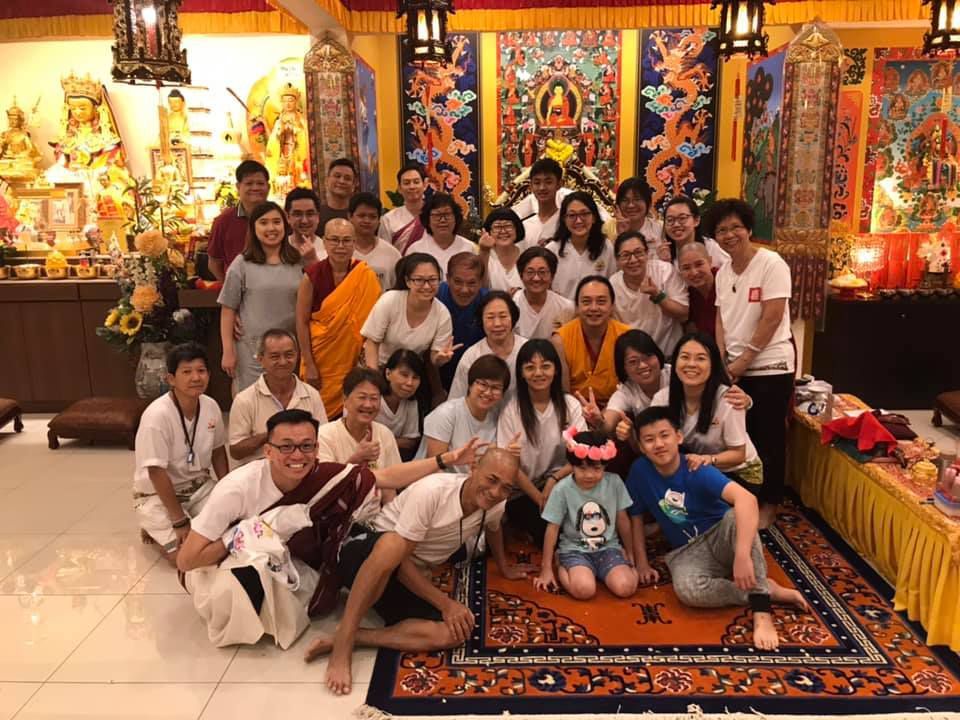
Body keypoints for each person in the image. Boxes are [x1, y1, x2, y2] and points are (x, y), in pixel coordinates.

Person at [178, 409, 490, 643]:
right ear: (268, 451)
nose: (297, 455)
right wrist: (242, 535)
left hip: (294, 559)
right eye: (286, 447)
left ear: (317, 448)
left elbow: (386, 477)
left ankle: (347, 632)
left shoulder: (322, 473)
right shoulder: (236, 489)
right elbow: (187, 560)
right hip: (232, 560)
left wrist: (446, 459)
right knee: (243, 583)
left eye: (306, 446)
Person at [304, 448, 529, 695]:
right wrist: (446, 604)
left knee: (452, 633)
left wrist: (504, 567)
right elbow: (399, 559)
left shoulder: (496, 504)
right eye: (492, 480)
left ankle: (358, 636)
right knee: (392, 546)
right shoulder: (433, 491)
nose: (496, 492)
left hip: (406, 570)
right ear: (473, 468)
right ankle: (343, 643)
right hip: (367, 554)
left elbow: (494, 528)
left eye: (506, 488)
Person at [626, 406, 808, 650]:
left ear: (678, 437)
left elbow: (747, 500)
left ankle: (762, 611)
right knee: (688, 592)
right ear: (640, 446)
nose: (658, 444)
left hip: (721, 535)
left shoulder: (696, 468)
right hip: (686, 550)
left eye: (664, 435)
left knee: (736, 517)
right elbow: (635, 516)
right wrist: (641, 563)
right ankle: (764, 589)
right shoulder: (639, 471)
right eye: (649, 439)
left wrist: (742, 556)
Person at [710, 199, 795, 528]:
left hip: (769, 366)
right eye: (721, 230)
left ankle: (769, 503)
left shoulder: (771, 263)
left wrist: (744, 360)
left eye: (735, 227)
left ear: (748, 229)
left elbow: (772, 316)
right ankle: (745, 497)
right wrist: (722, 359)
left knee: (768, 435)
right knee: (739, 437)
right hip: (734, 368)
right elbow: (721, 319)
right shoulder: (723, 272)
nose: (729, 235)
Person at [133, 343, 229, 565]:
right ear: (171, 379)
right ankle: (153, 524)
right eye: (187, 372)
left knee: (233, 523)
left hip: (199, 486)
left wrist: (228, 491)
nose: (196, 377)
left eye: (201, 370)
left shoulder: (211, 406)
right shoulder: (156, 416)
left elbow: (218, 451)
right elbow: (156, 472)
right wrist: (178, 521)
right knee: (181, 558)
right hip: (156, 493)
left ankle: (194, 530)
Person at [534, 429, 638, 600]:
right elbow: (552, 529)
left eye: (597, 468)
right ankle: (562, 564)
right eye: (582, 468)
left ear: (605, 465)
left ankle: (603, 570)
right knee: (584, 590)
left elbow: (623, 520)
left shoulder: (614, 482)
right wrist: (546, 568)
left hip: (608, 548)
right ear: (572, 466)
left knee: (626, 587)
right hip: (574, 550)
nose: (589, 475)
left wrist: (630, 552)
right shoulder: (562, 489)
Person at [498, 339, 584, 544]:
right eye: (530, 367)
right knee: (551, 534)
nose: (538, 373)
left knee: (587, 522)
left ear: (556, 369)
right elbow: (510, 466)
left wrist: (553, 480)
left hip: (562, 482)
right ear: (521, 373)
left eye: (545, 366)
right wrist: (540, 498)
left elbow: (581, 454)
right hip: (523, 492)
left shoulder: (570, 404)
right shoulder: (512, 410)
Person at [649, 333, 760, 487]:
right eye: (685, 357)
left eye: (700, 358)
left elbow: (738, 455)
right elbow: (652, 440)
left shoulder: (730, 399)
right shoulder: (662, 398)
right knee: (644, 466)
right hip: (694, 467)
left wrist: (709, 459)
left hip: (736, 473)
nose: (691, 364)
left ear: (713, 365)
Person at [296, 218, 381, 419]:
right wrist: (309, 364)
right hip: (321, 360)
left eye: (346, 240)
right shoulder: (312, 276)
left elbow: (375, 323)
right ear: (324, 242)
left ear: (354, 243)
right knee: (315, 415)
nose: (340, 246)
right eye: (334, 240)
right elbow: (301, 321)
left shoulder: (365, 275)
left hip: (354, 359)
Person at [219, 201, 304, 392]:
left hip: (290, 350)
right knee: (252, 399)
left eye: (276, 222)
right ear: (253, 228)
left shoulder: (298, 261)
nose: (271, 228)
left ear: (285, 225)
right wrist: (228, 350)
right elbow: (228, 309)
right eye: (264, 223)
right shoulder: (241, 263)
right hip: (252, 349)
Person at [228, 329, 326, 466]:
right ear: (261, 359)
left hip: (302, 468)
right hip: (261, 471)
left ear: (297, 356)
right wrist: (273, 434)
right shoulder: (245, 399)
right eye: (275, 356)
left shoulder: (311, 394)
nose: (283, 362)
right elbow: (236, 451)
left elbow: (323, 438)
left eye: (289, 355)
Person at [361, 253, 457, 368]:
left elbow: (434, 358)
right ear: (408, 281)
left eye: (432, 280)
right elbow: (372, 342)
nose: (427, 286)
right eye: (419, 280)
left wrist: (440, 359)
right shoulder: (390, 300)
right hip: (378, 365)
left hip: (410, 371)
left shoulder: (442, 314)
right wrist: (374, 375)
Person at [552, 275, 630, 408]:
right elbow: (563, 393)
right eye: (586, 302)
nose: (593, 308)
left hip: (618, 409)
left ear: (612, 306)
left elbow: (632, 388)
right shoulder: (560, 340)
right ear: (577, 307)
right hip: (575, 409)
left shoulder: (627, 336)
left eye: (601, 301)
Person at [423, 355, 509, 473]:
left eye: (496, 388)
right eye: (483, 384)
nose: (488, 392)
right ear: (470, 384)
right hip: (436, 480)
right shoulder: (446, 413)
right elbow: (434, 467)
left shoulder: (497, 419)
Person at [610, 230, 689, 357]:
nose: (633, 260)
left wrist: (657, 295)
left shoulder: (664, 271)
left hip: (670, 353)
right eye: (625, 255)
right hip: (634, 358)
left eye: (638, 252)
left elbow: (684, 313)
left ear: (647, 253)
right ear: (617, 260)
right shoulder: (613, 284)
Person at [580, 329, 670, 438]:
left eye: (648, 356)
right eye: (633, 361)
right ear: (624, 368)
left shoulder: (674, 375)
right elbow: (608, 424)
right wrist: (598, 421)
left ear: (658, 355)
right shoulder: (627, 390)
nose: (643, 365)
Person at [316, 368, 402, 475]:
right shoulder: (324, 435)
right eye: (362, 397)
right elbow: (326, 482)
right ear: (345, 400)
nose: (368, 405)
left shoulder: (385, 434)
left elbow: (395, 478)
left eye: (374, 398)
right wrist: (357, 459)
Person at [448, 291, 527, 400]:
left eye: (503, 316)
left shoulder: (526, 349)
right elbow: (456, 400)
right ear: (481, 320)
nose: (497, 323)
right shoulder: (472, 356)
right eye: (490, 317)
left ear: (513, 318)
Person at [207, 160, 270, 280]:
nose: (255, 188)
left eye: (260, 183)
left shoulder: (280, 218)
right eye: (249, 183)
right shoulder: (223, 221)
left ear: (268, 187)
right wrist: (230, 286)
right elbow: (214, 262)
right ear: (238, 187)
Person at [546, 191, 616, 298]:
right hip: (561, 308)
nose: (578, 221)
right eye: (572, 215)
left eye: (584, 214)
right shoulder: (552, 250)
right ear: (564, 219)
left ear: (594, 217)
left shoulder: (606, 247)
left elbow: (612, 284)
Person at [436, 252, 488, 391]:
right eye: (458, 282)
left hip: (476, 378)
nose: (464, 290)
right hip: (436, 374)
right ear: (448, 279)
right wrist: (437, 391)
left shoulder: (488, 302)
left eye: (472, 283)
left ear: (481, 281)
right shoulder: (435, 296)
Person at [405, 193, 475, 281]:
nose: (442, 220)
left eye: (447, 214)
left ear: (456, 218)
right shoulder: (415, 250)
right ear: (427, 220)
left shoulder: (469, 248)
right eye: (437, 215)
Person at [511, 247, 575, 340]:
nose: (536, 278)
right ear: (521, 275)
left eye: (542, 272)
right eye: (530, 272)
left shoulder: (566, 307)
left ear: (552, 276)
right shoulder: (511, 304)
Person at [376, 349, 424, 460]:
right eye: (404, 375)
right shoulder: (373, 398)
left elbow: (410, 442)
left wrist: (380, 441)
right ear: (388, 373)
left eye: (415, 377)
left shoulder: (412, 402)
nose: (409, 383)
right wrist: (397, 441)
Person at [349, 191, 401, 292]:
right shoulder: (340, 251)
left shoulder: (392, 254)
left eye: (372, 217)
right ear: (350, 217)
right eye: (361, 216)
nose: (367, 221)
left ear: (379, 220)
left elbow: (397, 291)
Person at [662, 196, 729, 269]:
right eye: (670, 220)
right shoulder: (663, 252)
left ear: (696, 220)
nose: (676, 224)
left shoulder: (711, 247)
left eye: (682, 218)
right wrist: (665, 263)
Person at [515, 158, 565, 247]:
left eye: (548, 182)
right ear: (530, 186)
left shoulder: (567, 221)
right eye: (537, 183)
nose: (542, 188)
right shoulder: (524, 226)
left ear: (559, 184)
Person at [379, 164, 429, 253]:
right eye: (406, 183)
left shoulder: (433, 215)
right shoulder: (388, 219)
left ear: (425, 185)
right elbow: (385, 252)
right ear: (399, 188)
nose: (412, 187)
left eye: (416, 182)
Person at [677, 242, 719, 337]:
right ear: (680, 270)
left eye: (699, 264)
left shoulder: (725, 281)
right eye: (686, 268)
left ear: (710, 261)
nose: (694, 272)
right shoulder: (688, 294)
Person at [477, 208, 524, 292]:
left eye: (508, 226)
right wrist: (484, 251)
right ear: (489, 232)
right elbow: (480, 289)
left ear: (516, 229)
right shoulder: (484, 256)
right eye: (497, 227)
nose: (503, 231)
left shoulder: (527, 256)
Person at [611, 177, 662, 249]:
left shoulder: (660, 229)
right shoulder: (608, 229)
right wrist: (620, 236)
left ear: (649, 204)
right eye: (625, 200)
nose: (631, 205)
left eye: (637, 199)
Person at [284, 187, 323, 265]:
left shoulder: (327, 248)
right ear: (288, 217)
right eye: (298, 214)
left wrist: (313, 260)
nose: (304, 221)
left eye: (310, 214)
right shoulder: (279, 248)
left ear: (318, 217)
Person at [318, 158, 357, 229]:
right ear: (326, 180)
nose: (342, 181)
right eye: (337, 176)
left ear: (353, 185)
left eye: (347, 178)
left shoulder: (358, 216)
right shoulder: (316, 215)